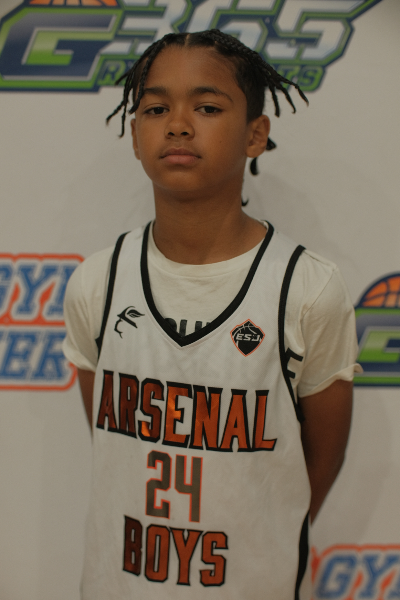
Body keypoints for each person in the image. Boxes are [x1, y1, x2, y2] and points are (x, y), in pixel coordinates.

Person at [63, 29, 360, 600]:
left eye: (206, 107)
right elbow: (112, 443)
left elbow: (319, 460)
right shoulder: (98, 282)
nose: (177, 124)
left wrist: (264, 525)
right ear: (135, 135)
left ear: (255, 134)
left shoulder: (306, 289)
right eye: (156, 108)